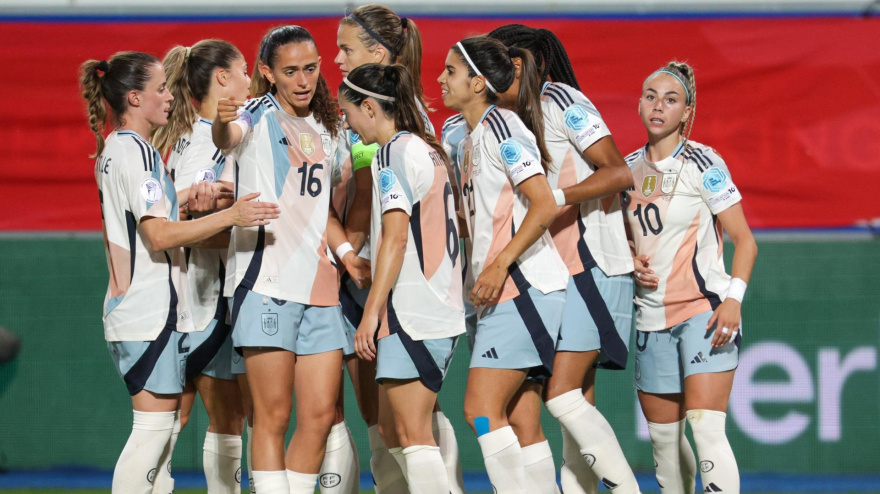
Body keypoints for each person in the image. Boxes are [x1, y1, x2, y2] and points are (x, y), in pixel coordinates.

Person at [80, 51, 278, 494]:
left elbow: (148, 210)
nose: (171, 96)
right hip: (147, 313)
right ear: (134, 97)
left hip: (132, 310)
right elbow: (160, 235)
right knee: (152, 436)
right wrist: (233, 217)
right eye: (160, 89)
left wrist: (189, 192)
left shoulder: (117, 148)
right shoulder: (141, 155)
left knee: (162, 431)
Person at [211, 25, 369, 494]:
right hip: (267, 288)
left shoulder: (328, 124)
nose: (303, 80)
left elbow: (319, 210)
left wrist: (346, 254)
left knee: (320, 416)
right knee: (272, 417)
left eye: (311, 68)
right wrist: (221, 121)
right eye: (290, 71)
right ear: (267, 73)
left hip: (320, 290)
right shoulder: (256, 114)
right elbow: (226, 136)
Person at [489, 24, 640, 494]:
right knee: (576, 401)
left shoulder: (561, 102)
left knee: (562, 396)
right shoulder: (501, 119)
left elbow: (619, 171)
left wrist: (553, 198)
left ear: (529, 65)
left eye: (504, 65)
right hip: (549, 274)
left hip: (589, 264)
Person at [334, 6, 463, 493]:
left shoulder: (390, 152)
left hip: (414, 308)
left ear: (370, 108)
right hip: (431, 304)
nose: (350, 126)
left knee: (410, 433)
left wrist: (370, 316)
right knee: (395, 428)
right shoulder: (422, 142)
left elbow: (395, 236)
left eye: (349, 114)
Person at [438, 36, 568, 494]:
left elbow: (544, 202)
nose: (441, 79)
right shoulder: (471, 138)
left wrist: (499, 265)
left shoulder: (502, 126)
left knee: (480, 409)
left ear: (478, 82)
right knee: (520, 420)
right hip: (501, 292)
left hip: (524, 287)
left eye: (451, 71)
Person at [625, 61, 757, 494]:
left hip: (705, 314)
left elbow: (745, 240)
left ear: (686, 112)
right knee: (664, 442)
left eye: (670, 99)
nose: (658, 106)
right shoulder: (624, 170)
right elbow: (612, 241)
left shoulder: (705, 162)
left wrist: (733, 300)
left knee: (705, 428)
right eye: (650, 96)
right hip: (649, 319)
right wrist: (629, 258)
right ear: (639, 104)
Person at [152, 39, 252, 493]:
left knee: (175, 414)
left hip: (201, 294)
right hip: (202, 296)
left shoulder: (202, 135)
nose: (251, 80)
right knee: (223, 415)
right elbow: (191, 224)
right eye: (245, 70)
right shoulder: (202, 146)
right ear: (223, 80)